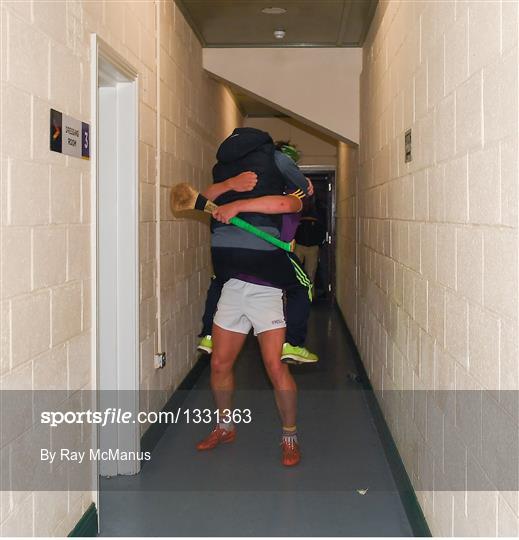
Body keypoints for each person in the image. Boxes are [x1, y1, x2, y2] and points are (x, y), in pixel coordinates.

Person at [196, 191, 304, 466]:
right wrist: (231, 187)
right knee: (219, 364)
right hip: (232, 288)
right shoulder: (233, 191)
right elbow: (201, 196)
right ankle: (225, 427)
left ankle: (290, 436)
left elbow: (289, 204)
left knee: (275, 366)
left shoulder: (282, 200)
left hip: (266, 292)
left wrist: (237, 206)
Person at [197, 132, 318, 364]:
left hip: (225, 254)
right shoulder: (284, 186)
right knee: (302, 286)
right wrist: (302, 186)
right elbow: (285, 202)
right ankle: (293, 343)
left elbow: (201, 200)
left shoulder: (226, 168)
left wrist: (230, 189)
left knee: (218, 280)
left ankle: (208, 334)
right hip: (265, 273)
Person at [294, 197, 327, 296]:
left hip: (311, 246)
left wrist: (319, 243)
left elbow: (322, 230)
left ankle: (308, 296)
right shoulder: (298, 209)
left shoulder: (318, 212)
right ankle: (299, 295)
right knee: (297, 272)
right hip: (300, 245)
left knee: (310, 273)